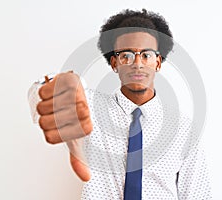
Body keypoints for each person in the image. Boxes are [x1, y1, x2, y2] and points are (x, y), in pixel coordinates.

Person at [31, 9, 212, 199]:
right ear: (114, 63)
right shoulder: (87, 107)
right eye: (126, 55)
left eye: (146, 55)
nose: (137, 63)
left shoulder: (183, 129)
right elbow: (38, 96)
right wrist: (59, 86)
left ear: (158, 63)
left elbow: (197, 195)